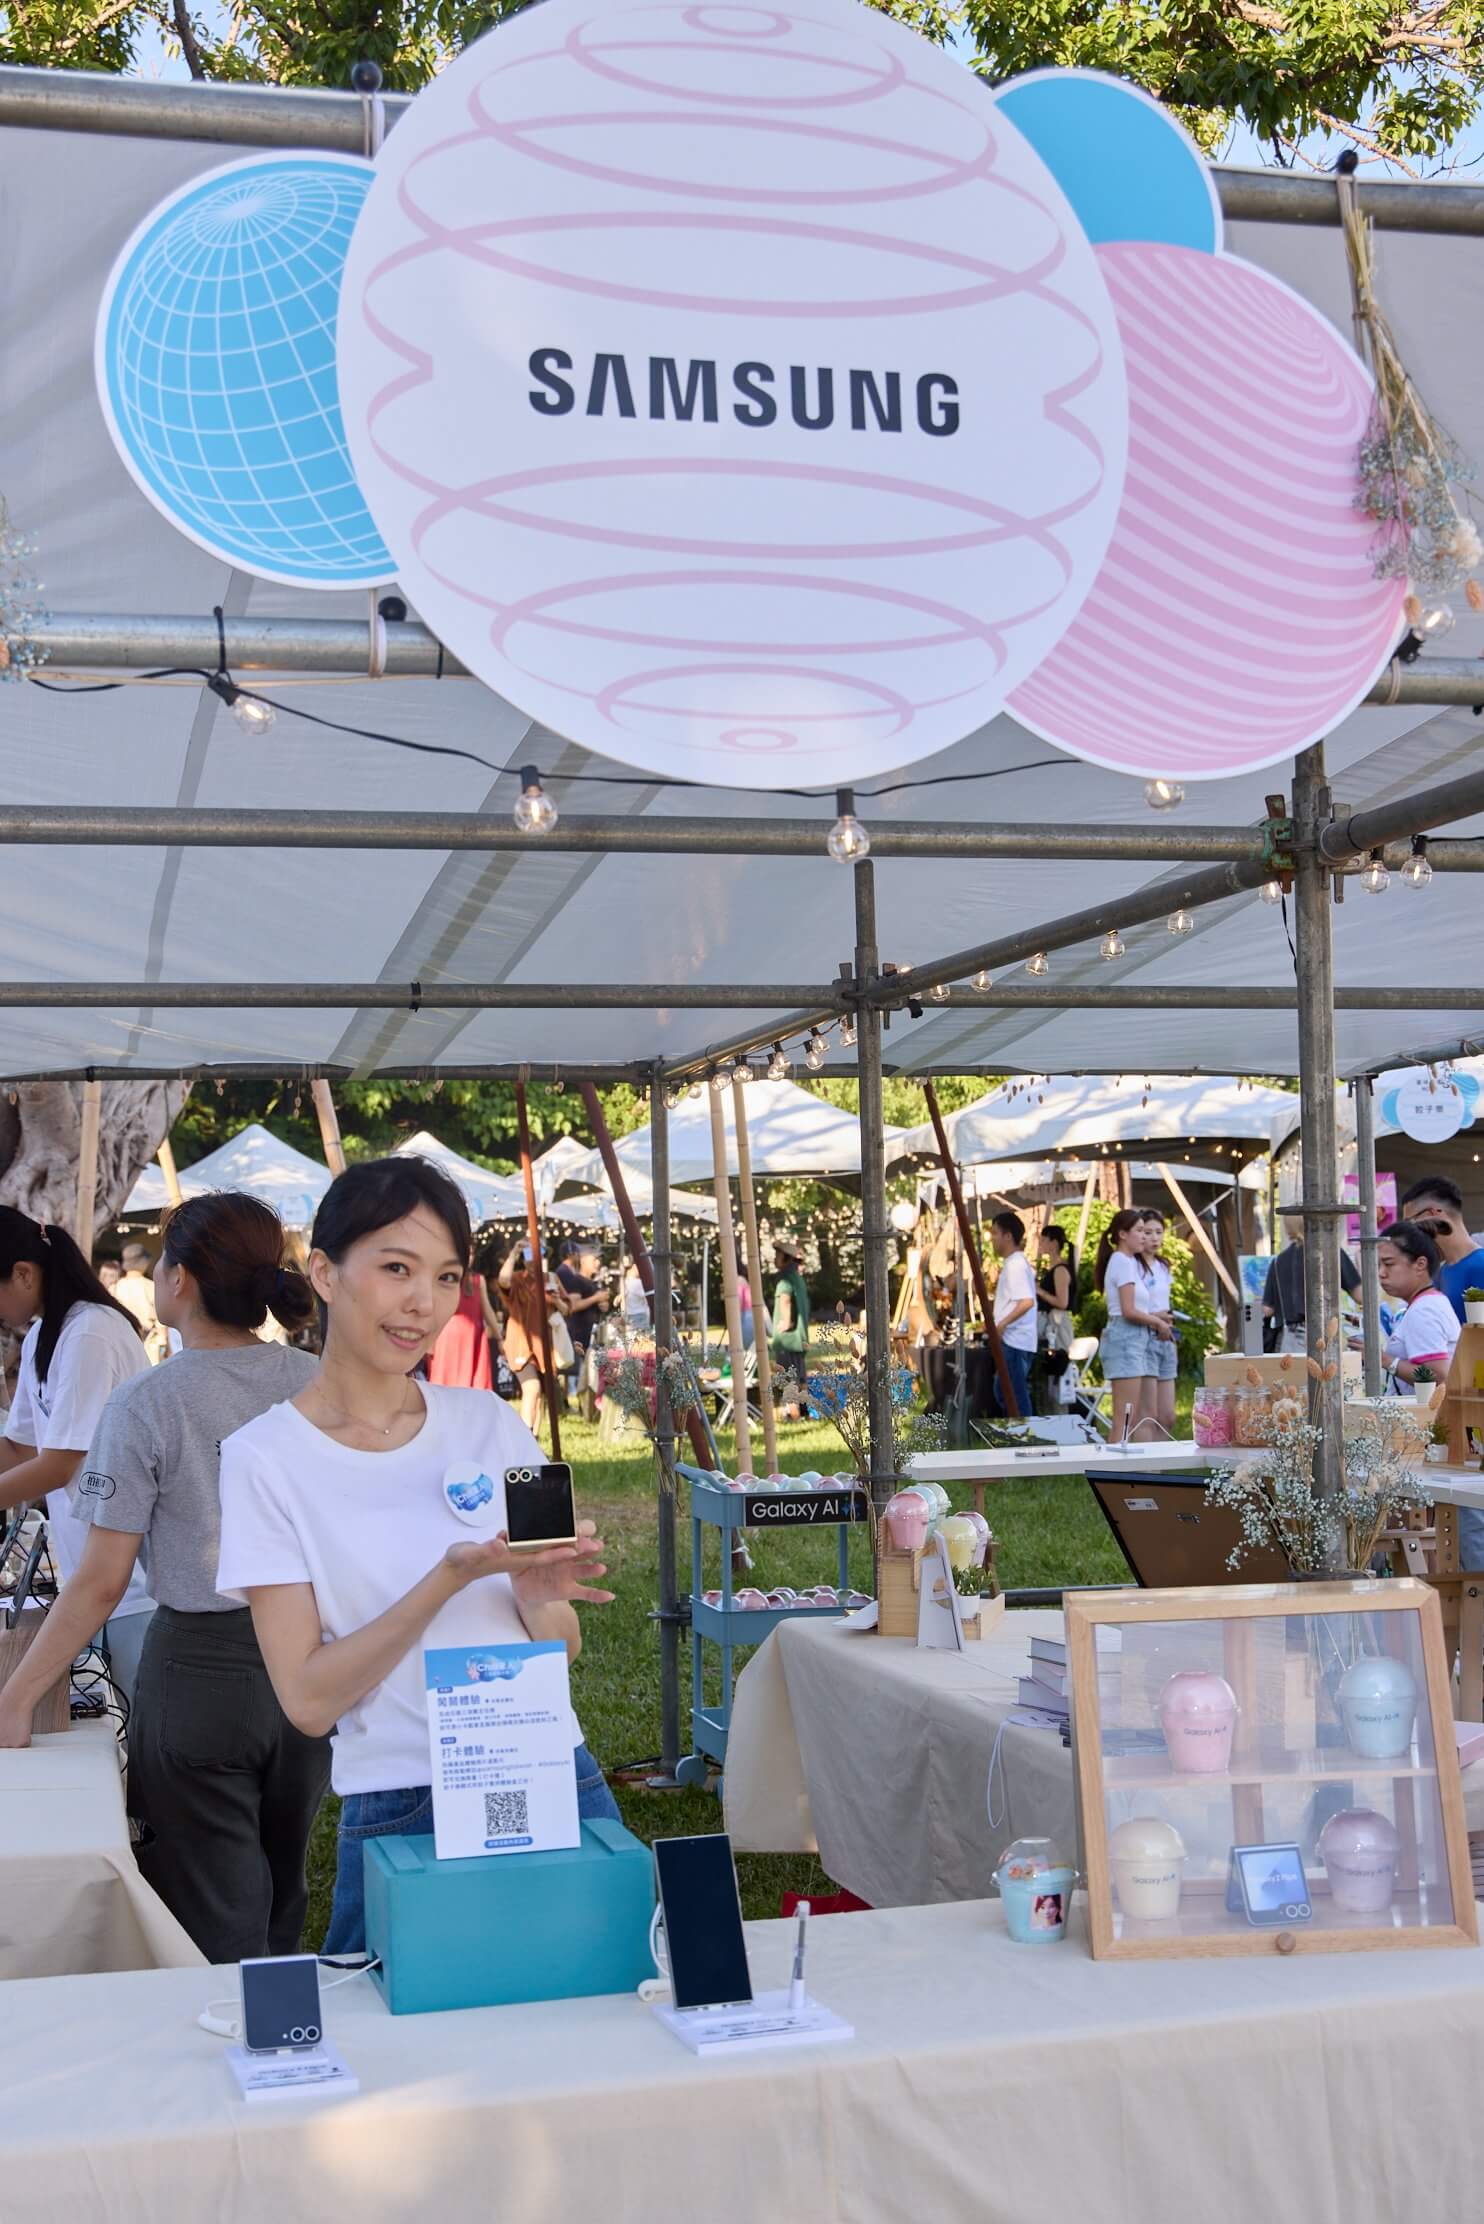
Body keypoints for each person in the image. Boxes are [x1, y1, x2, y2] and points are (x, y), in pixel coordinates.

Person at [215, 1157, 617, 1957]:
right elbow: (308, 1701)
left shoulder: (489, 1423)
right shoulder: (264, 1459)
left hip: (549, 1766)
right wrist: (447, 1580)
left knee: (597, 1999)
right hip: (404, 1795)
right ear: (324, 1273)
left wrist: (537, 1594)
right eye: (396, 1268)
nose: (423, 1303)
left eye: (445, 1277)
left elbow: (561, 1646)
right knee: (401, 2026)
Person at [0, 1194, 330, 1964]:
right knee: (284, 1888)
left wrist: (16, 1696)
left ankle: (234, 2032)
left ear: (180, 1280)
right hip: (314, 1666)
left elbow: (100, 1580)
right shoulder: (316, 1383)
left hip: (200, 1670)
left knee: (209, 1913)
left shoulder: (145, 1401)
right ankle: (289, 2028)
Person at [0, 1208, 155, 1703]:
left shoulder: (90, 1332)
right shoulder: (42, 1336)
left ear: (23, 1273)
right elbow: (20, 1447)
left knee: (139, 1735)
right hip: (89, 1583)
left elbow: (59, 1464)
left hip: (134, 1589)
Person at [1095, 1207, 1162, 1440]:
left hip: (1133, 1338)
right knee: (1124, 1420)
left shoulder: (1128, 1262)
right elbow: (1128, 1310)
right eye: (1140, 1231)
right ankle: (1111, 1464)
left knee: (1130, 1418)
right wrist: (1158, 1322)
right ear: (1123, 1234)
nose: (1144, 1236)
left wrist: (1156, 1318)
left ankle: (1126, 1461)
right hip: (1125, 1338)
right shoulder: (1122, 1261)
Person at [1375, 1220, 1460, 1391]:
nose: (1381, 1273)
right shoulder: (1426, 1303)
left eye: (1389, 1264)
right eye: (1379, 1265)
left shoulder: (1424, 1310)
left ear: (1420, 1264)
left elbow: (1438, 1375)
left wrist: (1385, 1360)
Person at [496, 1240, 569, 1436]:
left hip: (546, 1344)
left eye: (536, 1254)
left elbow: (567, 1309)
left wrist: (557, 1301)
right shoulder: (518, 1279)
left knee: (540, 1395)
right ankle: (523, 1438)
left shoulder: (551, 1279)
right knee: (532, 1387)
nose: (532, 1260)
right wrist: (514, 1253)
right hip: (521, 1342)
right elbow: (503, 1280)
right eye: (527, 1256)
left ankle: (533, 1441)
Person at [1262, 1209, 1361, 1353]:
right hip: (1325, 1334)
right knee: (1327, 1368)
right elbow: (1360, 1296)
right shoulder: (1331, 1252)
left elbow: (1267, 1310)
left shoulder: (1278, 1261)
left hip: (1290, 1340)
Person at [1398, 1175, 1484, 1326]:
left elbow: (1478, 1336)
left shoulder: (1479, 1267)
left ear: (1433, 1214)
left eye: (1411, 1224)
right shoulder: (1441, 1271)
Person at [988, 1211, 1037, 1418]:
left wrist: (1002, 1324)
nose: (992, 1239)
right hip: (1014, 1340)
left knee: (1013, 1397)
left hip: (1015, 1341)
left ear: (1008, 1236)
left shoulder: (1016, 1265)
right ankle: (1019, 1431)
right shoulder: (1014, 1263)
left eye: (995, 1233)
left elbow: (1026, 1301)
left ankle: (1024, 1433)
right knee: (1004, 1392)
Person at [1138, 1211, 1179, 1434]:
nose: (1154, 1238)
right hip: (1146, 1338)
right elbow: (1130, 1306)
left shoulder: (1163, 1266)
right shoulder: (1133, 1266)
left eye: (1158, 1232)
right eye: (1148, 1232)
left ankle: (1161, 1453)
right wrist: (1156, 1317)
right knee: (1149, 1415)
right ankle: (1147, 1455)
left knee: (1167, 1416)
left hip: (1166, 1337)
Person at [427, 1268, 498, 1393]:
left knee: (467, 1387)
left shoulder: (477, 1279)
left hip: (469, 1336)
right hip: (450, 1335)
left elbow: (487, 1309)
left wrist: (499, 1336)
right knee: (444, 1385)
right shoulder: (444, 1275)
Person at [1034, 1224, 1076, 1412]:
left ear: (1054, 1243)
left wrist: (1040, 1291)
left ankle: (1060, 1416)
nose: (1041, 1244)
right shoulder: (1053, 1268)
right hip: (1050, 1324)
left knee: (1057, 1372)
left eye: (1043, 1240)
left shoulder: (1060, 1270)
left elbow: (1062, 1302)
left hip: (1057, 1325)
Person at [769, 1236, 811, 1418]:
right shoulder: (798, 1278)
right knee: (800, 1378)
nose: (774, 1258)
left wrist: (786, 1322)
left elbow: (785, 1300)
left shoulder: (784, 1280)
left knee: (789, 1381)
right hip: (800, 1338)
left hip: (788, 1340)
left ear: (786, 1258)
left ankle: (794, 1417)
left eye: (777, 1255)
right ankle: (806, 1414)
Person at [115, 1240, 167, 1364]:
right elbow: (160, 1318)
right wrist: (164, 1341)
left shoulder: (116, 1287)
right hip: (148, 1342)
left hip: (122, 1341)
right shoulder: (150, 1286)